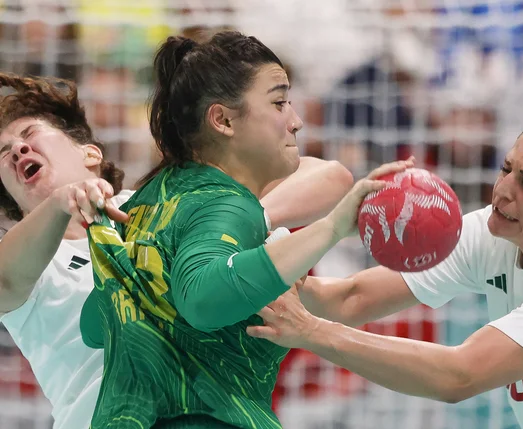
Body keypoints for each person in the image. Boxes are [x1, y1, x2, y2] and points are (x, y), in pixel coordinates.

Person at [79, 32, 412, 429]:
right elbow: (202, 301)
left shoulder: (149, 198)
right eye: (279, 103)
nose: (296, 121)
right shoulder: (228, 203)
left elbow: (95, 326)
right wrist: (333, 227)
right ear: (222, 120)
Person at [0, 72, 354, 429]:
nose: (18, 149)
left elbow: (330, 177)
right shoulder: (27, 263)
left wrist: (234, 216)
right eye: (4, 152)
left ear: (90, 153)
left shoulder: (158, 206)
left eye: (29, 135)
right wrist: (61, 202)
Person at [248, 116, 523, 429]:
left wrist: (311, 331)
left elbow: (459, 375)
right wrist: (270, 266)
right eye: (507, 169)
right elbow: (351, 298)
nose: (503, 191)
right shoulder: (494, 233)